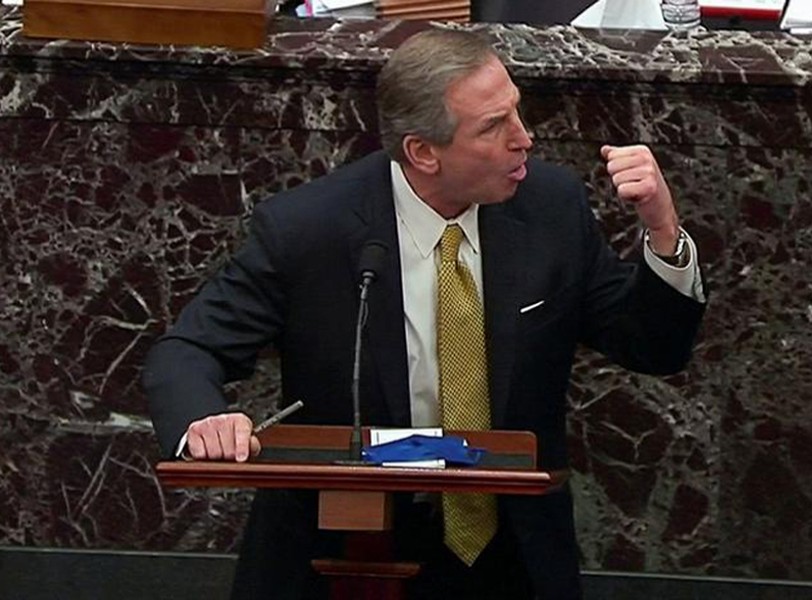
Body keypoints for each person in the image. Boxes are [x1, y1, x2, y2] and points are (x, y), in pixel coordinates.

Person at [143, 28, 706, 600]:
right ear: (423, 152)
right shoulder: (308, 229)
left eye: (516, 111)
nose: (524, 139)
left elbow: (652, 346)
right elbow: (188, 350)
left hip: (512, 551)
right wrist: (204, 419)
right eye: (493, 126)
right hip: (342, 548)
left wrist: (663, 230)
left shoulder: (551, 207)